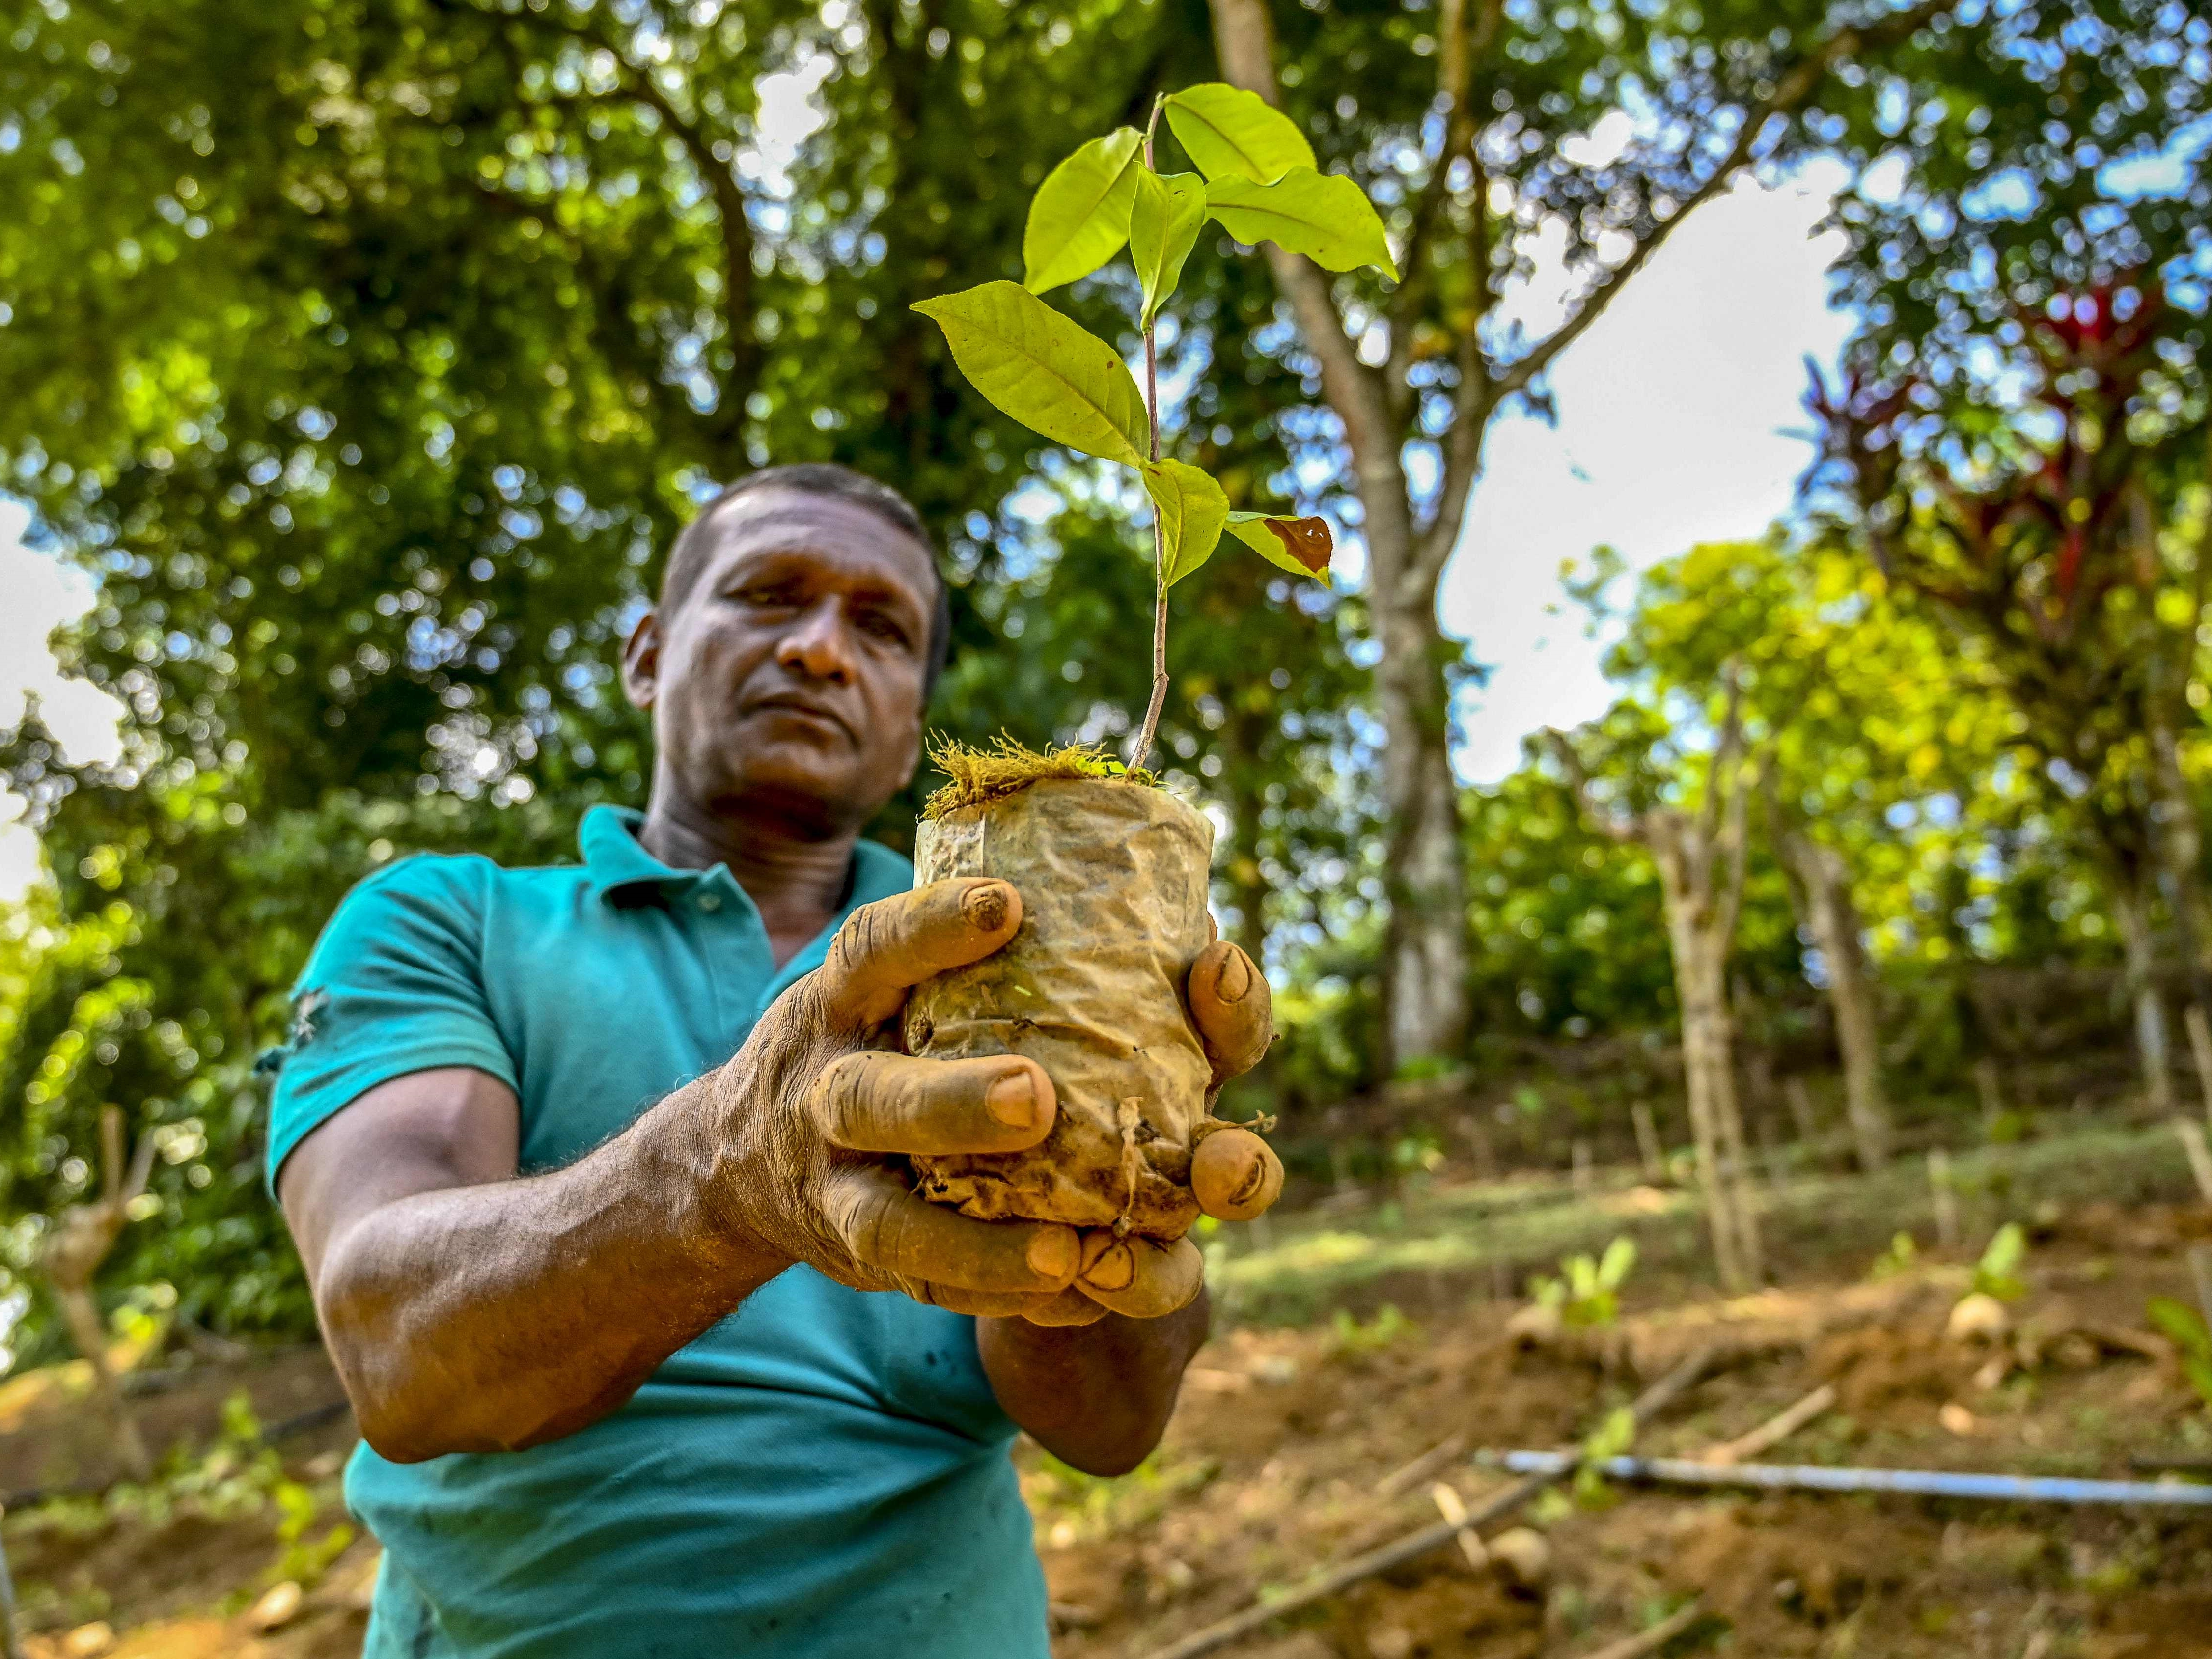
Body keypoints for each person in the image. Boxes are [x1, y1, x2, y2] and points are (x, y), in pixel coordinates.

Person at [267, 463, 1281, 1658]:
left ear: (909, 737)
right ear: (647, 656)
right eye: (768, 596)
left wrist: (1112, 1187)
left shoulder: (1020, 961)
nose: (819, 650)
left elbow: (1110, 1432)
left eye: (880, 630)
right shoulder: (449, 922)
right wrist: (729, 1174)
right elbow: (395, 1347)